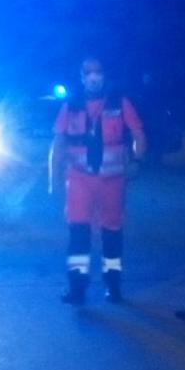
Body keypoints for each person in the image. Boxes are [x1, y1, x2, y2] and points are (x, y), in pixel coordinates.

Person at [51, 57, 146, 305]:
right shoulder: (71, 105)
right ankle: (77, 288)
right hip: (80, 179)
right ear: (82, 78)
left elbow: (138, 133)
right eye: (89, 73)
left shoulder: (119, 102)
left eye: (98, 72)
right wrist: (54, 178)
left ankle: (113, 286)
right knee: (78, 233)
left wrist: (137, 161)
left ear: (105, 75)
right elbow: (59, 142)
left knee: (112, 233)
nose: (94, 77)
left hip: (112, 181)